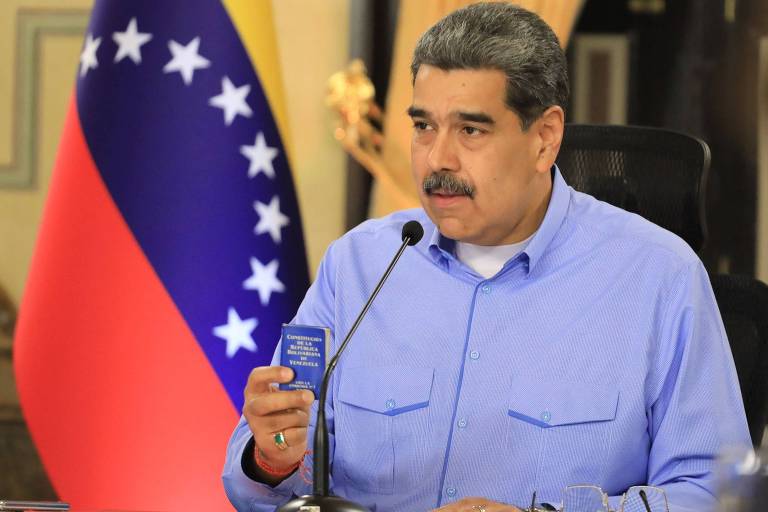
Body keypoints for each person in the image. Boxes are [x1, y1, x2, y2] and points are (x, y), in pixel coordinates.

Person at [222, 3, 751, 511]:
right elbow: (262, 474)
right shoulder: (360, 266)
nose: (438, 159)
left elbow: (716, 495)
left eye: (471, 130)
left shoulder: (659, 277)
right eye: (424, 126)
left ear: (545, 138)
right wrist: (271, 458)